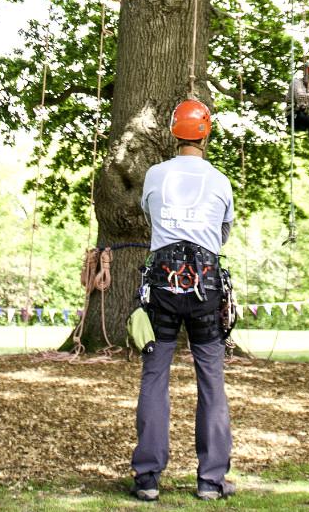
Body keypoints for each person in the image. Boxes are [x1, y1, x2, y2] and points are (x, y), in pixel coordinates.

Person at [132, 99, 236, 502]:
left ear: (173, 133)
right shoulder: (221, 181)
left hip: (162, 282)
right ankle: (211, 479)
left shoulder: (155, 175)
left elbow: (149, 217)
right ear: (205, 133)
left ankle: (148, 477)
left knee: (155, 375)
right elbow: (223, 230)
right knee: (211, 376)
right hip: (206, 283)